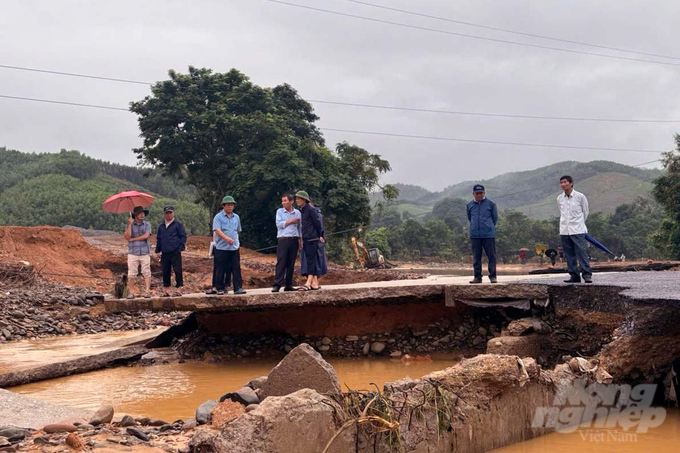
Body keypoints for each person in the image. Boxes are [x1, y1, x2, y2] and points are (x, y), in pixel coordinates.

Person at [207, 196, 246, 295]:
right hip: (221, 247)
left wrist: (236, 241)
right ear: (223, 206)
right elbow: (217, 230)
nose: (230, 207)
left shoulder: (236, 217)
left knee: (236, 268)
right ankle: (220, 288)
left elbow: (237, 230)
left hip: (234, 247)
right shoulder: (218, 217)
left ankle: (238, 288)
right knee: (220, 268)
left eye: (232, 205)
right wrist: (226, 238)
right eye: (228, 205)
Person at [557, 175, 593, 283]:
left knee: (581, 252)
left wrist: (580, 224)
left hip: (577, 230)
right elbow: (561, 213)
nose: (563, 184)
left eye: (565, 182)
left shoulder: (580, 197)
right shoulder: (559, 198)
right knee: (569, 254)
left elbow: (585, 212)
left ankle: (586, 275)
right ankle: (574, 275)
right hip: (564, 230)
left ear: (571, 183)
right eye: (561, 183)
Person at [467, 184, 498, 284]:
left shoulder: (491, 204)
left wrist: (488, 227)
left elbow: (495, 218)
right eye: (477, 193)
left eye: (481, 193)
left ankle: (493, 276)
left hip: (488, 235)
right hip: (475, 235)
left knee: (491, 256)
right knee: (476, 257)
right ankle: (477, 277)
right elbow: (470, 218)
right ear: (473, 194)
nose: (479, 195)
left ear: (484, 193)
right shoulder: (470, 205)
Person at [155, 205, 187, 296]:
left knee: (177, 270)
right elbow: (159, 239)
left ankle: (179, 289)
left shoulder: (178, 224)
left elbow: (183, 236)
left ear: (173, 213)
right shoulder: (161, 226)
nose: (168, 215)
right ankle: (167, 289)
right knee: (165, 271)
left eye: (170, 212)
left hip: (175, 251)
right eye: (167, 213)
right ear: (164, 214)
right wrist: (158, 250)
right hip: (165, 252)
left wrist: (180, 247)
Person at [272, 193, 302, 292]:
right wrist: (291, 221)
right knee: (281, 262)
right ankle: (277, 284)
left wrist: (300, 240)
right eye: (282, 201)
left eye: (285, 201)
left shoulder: (297, 212)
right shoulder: (280, 212)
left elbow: (299, 227)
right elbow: (279, 224)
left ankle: (288, 284)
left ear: (291, 201)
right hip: (283, 239)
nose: (283, 203)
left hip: (294, 239)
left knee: (291, 263)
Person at [295, 190, 323, 291]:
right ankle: (314, 283)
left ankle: (308, 282)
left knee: (311, 260)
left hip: (312, 238)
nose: (297, 201)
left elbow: (318, 223)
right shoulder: (302, 210)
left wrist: (320, 235)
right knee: (309, 260)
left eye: (298, 199)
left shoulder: (311, 209)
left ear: (304, 199)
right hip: (306, 238)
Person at [124, 206, 152, 299]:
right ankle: (131, 292)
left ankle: (147, 291)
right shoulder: (130, 225)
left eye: (143, 213)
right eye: (140, 213)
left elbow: (146, 235)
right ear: (135, 215)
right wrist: (129, 225)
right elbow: (127, 237)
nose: (142, 214)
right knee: (131, 273)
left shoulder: (147, 224)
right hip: (133, 252)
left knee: (146, 272)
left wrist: (134, 239)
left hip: (144, 251)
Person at [300, 203, 328, 284]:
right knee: (309, 261)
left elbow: (319, 226)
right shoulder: (303, 212)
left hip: (315, 240)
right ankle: (312, 281)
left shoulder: (315, 212)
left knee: (316, 261)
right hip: (306, 240)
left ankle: (314, 282)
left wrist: (320, 236)